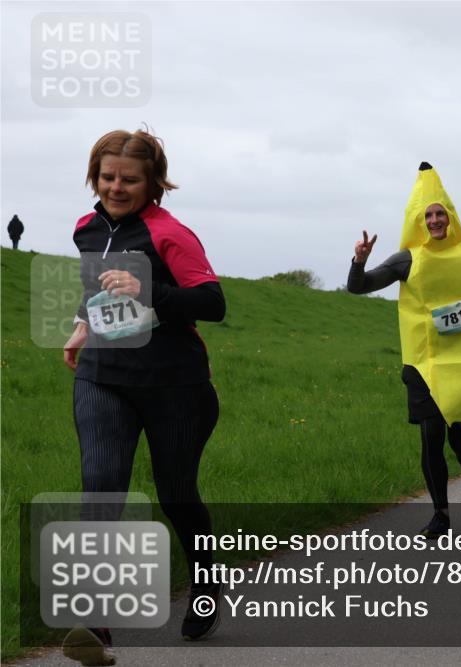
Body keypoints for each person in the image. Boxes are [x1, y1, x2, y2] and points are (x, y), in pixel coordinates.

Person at [61, 129, 226, 664]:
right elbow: (97, 290)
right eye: (107, 177)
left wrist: (149, 289)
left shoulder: (169, 233)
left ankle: (206, 581)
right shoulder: (86, 229)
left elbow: (212, 302)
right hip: (103, 377)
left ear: (153, 182)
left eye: (129, 179)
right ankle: (95, 625)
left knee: (177, 493)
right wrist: (83, 325)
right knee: (100, 487)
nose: (115, 187)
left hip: (174, 385)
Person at [347, 162, 461, 541]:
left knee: (460, 439)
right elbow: (358, 287)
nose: (436, 219)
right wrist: (359, 261)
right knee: (430, 437)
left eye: (441, 213)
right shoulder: (407, 259)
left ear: (451, 216)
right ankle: (440, 513)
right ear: (417, 221)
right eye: (428, 215)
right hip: (423, 362)